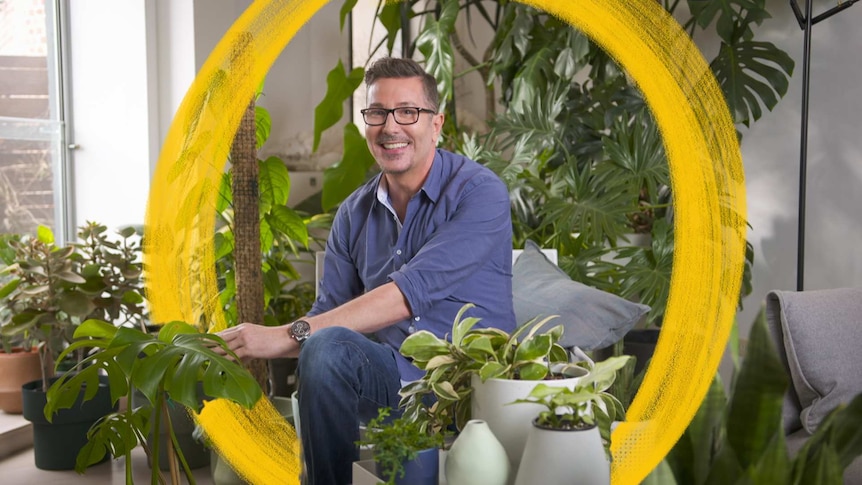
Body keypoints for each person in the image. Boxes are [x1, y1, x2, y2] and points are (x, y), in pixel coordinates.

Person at [218, 56, 516, 485]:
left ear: (437, 124)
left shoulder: (479, 191)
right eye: (377, 113)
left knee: (322, 341)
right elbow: (325, 327)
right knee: (325, 346)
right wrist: (243, 343)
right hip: (391, 384)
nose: (391, 126)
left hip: (469, 390)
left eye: (408, 112)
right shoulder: (353, 212)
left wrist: (280, 335)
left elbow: (409, 292)